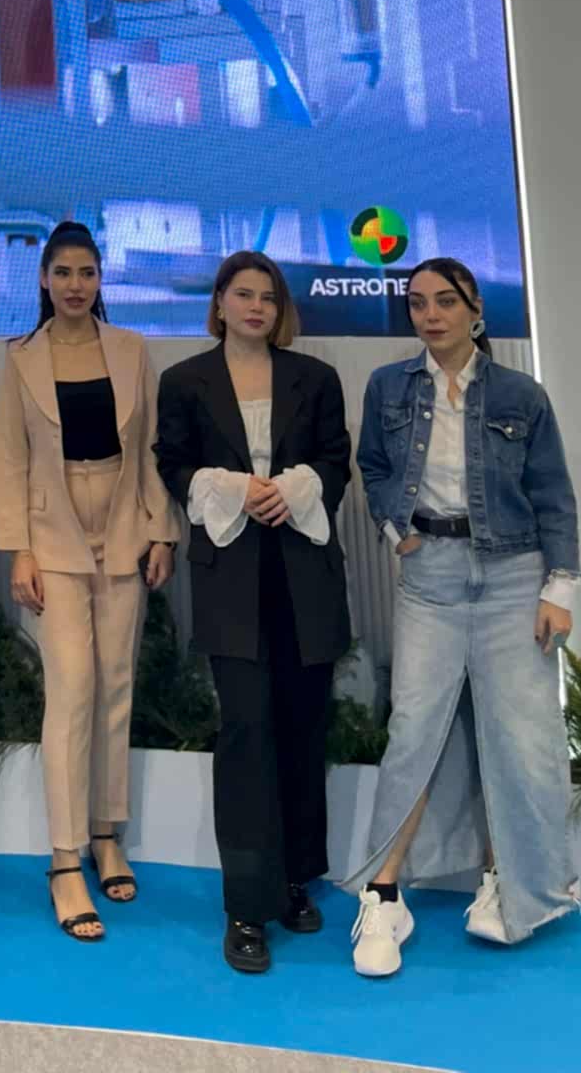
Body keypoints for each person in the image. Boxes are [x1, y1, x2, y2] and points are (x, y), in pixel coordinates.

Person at [345, 256, 579, 978]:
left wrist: (559, 589)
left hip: (513, 576)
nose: (431, 315)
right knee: (414, 730)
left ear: (475, 309)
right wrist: (396, 529)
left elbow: (552, 493)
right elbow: (373, 465)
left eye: (445, 301)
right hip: (430, 578)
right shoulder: (388, 386)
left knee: (521, 736)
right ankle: (384, 896)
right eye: (418, 303)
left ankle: (509, 881)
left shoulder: (521, 394)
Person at [155, 251, 352, 974]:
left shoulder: (316, 378)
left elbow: (336, 460)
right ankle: (245, 905)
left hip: (305, 574)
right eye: (243, 294)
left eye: (268, 297)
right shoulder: (184, 380)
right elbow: (171, 463)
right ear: (219, 302)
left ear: (280, 309)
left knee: (302, 728)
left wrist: (294, 488)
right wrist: (231, 487)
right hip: (230, 580)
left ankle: (297, 878)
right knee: (245, 733)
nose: (256, 307)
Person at [0, 220, 178, 943]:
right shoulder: (20, 357)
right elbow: (11, 459)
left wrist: (161, 529)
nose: (75, 285)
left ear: (101, 280)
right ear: (44, 280)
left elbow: (153, 447)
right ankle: (64, 859)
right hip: (53, 536)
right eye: (63, 272)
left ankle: (106, 835)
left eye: (87, 272)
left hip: (124, 523)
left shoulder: (131, 349)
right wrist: (19, 550)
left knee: (114, 686)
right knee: (70, 691)